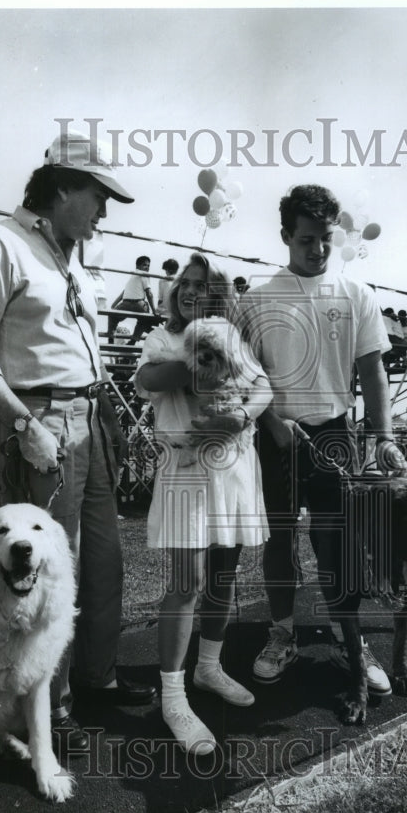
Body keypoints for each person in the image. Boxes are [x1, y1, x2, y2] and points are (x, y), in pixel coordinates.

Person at [0, 129, 157, 753]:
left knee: (102, 560)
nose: (104, 211)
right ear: (61, 189)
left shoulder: (72, 259)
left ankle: (96, 678)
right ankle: (49, 708)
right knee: (40, 571)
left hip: (89, 419)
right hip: (40, 422)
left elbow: (78, 345)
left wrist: (104, 410)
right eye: (97, 195)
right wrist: (23, 424)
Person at [237, 184, 407, 695]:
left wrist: (383, 436)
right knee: (281, 540)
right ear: (286, 235)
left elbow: (372, 372)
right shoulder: (258, 299)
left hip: (335, 434)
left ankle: (350, 639)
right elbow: (242, 374)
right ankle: (282, 633)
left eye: (325, 239)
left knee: (339, 542)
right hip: (278, 434)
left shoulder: (356, 295)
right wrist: (271, 423)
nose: (317, 249)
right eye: (307, 239)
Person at [135, 253, 273, 754]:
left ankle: (209, 668)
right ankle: (173, 695)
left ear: (219, 296)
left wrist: (241, 414)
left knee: (222, 577)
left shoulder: (235, 337)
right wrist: (203, 359)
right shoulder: (162, 337)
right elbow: (150, 380)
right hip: (185, 467)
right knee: (186, 582)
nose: (192, 292)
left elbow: (264, 387)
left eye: (204, 286)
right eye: (185, 284)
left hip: (233, 466)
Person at [107, 255, 158, 345]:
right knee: (144, 319)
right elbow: (149, 293)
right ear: (137, 266)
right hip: (138, 304)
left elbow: (124, 293)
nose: (147, 267)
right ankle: (134, 339)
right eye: (144, 265)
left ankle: (111, 338)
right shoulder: (144, 275)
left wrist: (113, 305)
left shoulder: (132, 277)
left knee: (112, 316)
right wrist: (154, 311)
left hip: (126, 304)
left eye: (148, 265)